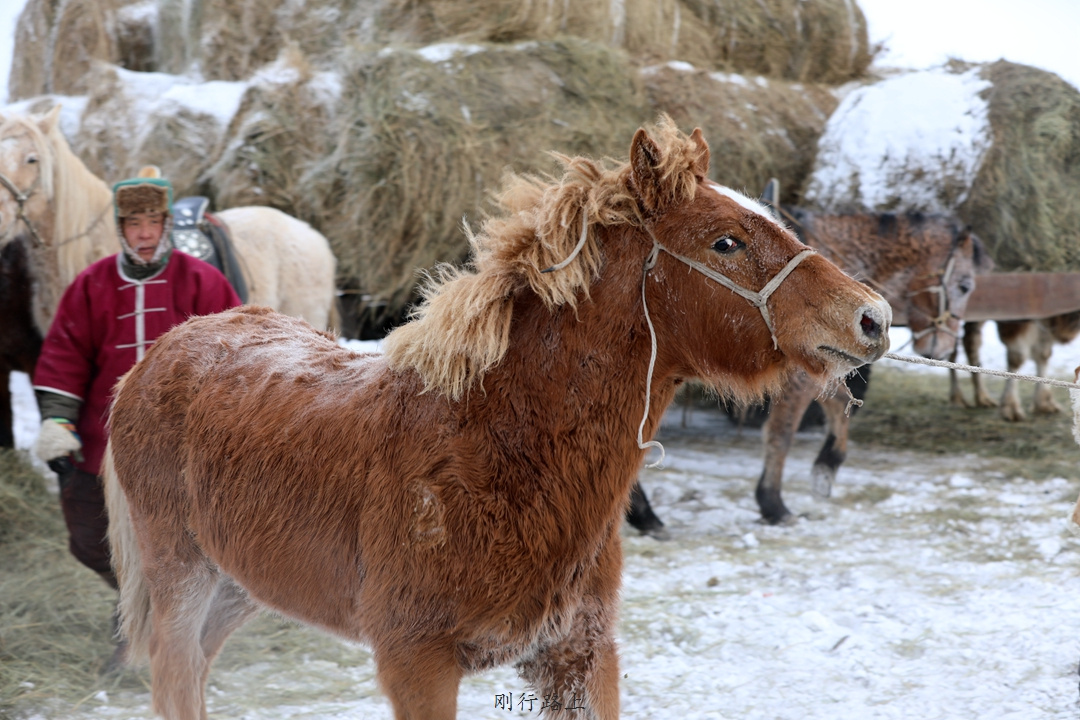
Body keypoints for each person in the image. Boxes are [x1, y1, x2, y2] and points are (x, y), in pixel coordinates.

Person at [31, 168, 240, 658]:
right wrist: (58, 423)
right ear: (120, 228)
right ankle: (138, 602)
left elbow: (238, 352)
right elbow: (65, 354)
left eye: (152, 222)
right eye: (133, 223)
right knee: (87, 539)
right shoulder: (91, 285)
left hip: (181, 447)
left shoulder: (201, 281)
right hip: (104, 447)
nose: (143, 233)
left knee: (183, 543)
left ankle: (161, 633)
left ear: (167, 224)